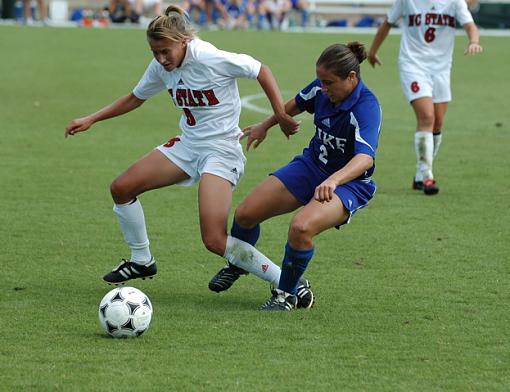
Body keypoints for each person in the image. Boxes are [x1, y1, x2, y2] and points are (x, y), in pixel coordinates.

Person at [64, 5, 307, 297]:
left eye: (166, 51)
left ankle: (289, 283)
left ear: (183, 42)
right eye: (155, 52)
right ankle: (142, 260)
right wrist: (91, 118)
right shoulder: (161, 66)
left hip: (221, 151)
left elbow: (260, 70)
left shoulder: (207, 56)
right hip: (188, 145)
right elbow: (135, 98)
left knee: (215, 240)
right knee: (122, 188)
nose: (161, 59)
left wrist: (279, 114)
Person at [208, 42, 382, 311]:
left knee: (301, 228)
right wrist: (266, 125)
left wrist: (335, 180)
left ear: (352, 78)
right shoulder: (322, 88)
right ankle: (238, 265)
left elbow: (365, 158)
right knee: (245, 214)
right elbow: (297, 104)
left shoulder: (367, 107)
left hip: (349, 183)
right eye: (321, 81)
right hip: (311, 166)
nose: (323, 89)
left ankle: (286, 294)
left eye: (329, 83)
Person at [367, 0, 482, 195]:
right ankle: (427, 176)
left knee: (437, 123)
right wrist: (373, 51)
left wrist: (474, 41)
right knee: (427, 117)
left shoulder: (454, 2)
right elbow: (388, 22)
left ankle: (420, 175)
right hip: (412, 65)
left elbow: (470, 25)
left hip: (441, 68)